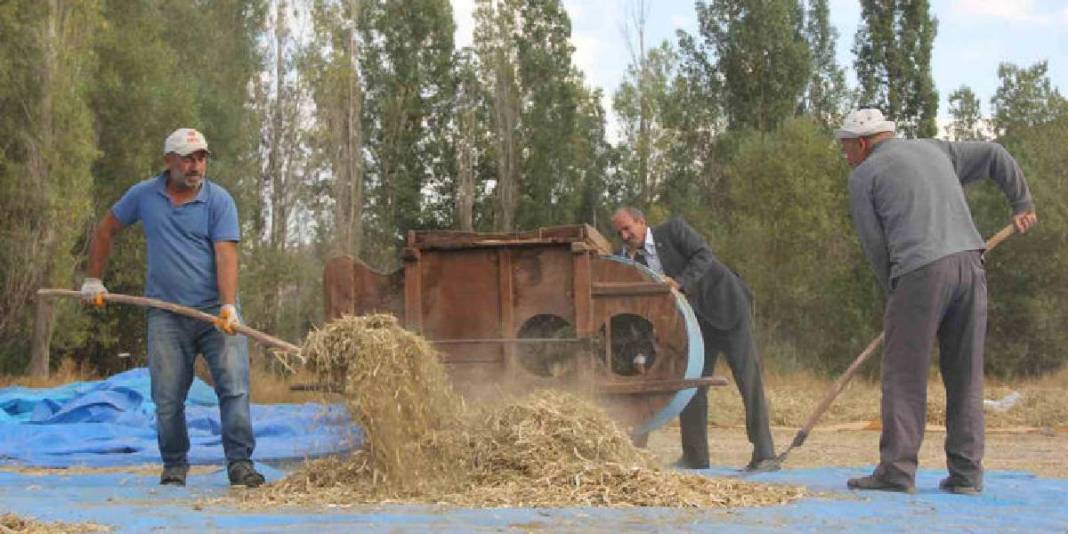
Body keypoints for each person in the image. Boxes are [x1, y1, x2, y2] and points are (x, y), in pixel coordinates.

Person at [836, 109, 1037, 495]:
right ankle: (966, 475)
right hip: (971, 265)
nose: (844, 155)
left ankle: (896, 472)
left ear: (862, 143)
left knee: (904, 375)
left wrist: (894, 293)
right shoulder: (935, 149)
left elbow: (875, 245)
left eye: (845, 147)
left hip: (919, 272)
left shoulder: (863, 175)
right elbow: (995, 154)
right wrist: (1021, 202)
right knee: (965, 374)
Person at [80, 128, 265, 488]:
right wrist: (93, 279)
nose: (195, 166)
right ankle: (175, 465)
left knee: (234, 388)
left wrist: (228, 305)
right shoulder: (144, 196)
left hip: (216, 314)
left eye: (201, 158)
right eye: (187, 158)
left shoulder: (218, 201)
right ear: (168, 161)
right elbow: (106, 229)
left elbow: (226, 254)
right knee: (166, 397)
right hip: (165, 314)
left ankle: (240, 464)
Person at [611, 207, 779, 472]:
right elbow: (639, 309)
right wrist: (641, 352)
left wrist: (679, 283)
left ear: (641, 222)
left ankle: (765, 454)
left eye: (627, 228)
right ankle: (695, 457)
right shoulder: (628, 259)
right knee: (691, 385)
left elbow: (704, 255)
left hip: (727, 307)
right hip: (693, 323)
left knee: (748, 379)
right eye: (619, 232)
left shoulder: (674, 229)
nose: (624, 235)